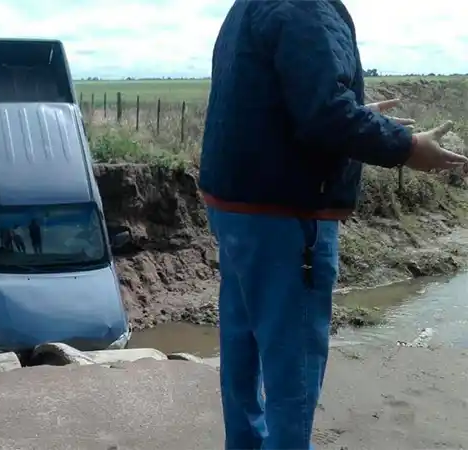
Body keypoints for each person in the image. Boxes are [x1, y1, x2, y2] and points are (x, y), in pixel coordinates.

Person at [199, 1, 468, 449]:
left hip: (236, 206)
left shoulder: (250, 6)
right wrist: (406, 147)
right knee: (293, 370)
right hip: (286, 213)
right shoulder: (309, 8)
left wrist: (359, 113)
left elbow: (276, 98)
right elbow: (325, 115)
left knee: (243, 348)